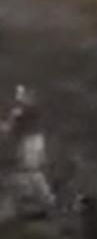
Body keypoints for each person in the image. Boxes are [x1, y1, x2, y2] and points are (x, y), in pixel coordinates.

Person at [6, 85, 55, 214]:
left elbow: (12, 127)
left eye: (21, 93)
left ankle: (45, 200)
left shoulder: (24, 111)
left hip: (31, 141)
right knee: (27, 170)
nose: (19, 96)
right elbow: (12, 127)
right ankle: (38, 199)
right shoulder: (23, 111)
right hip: (32, 141)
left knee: (30, 170)